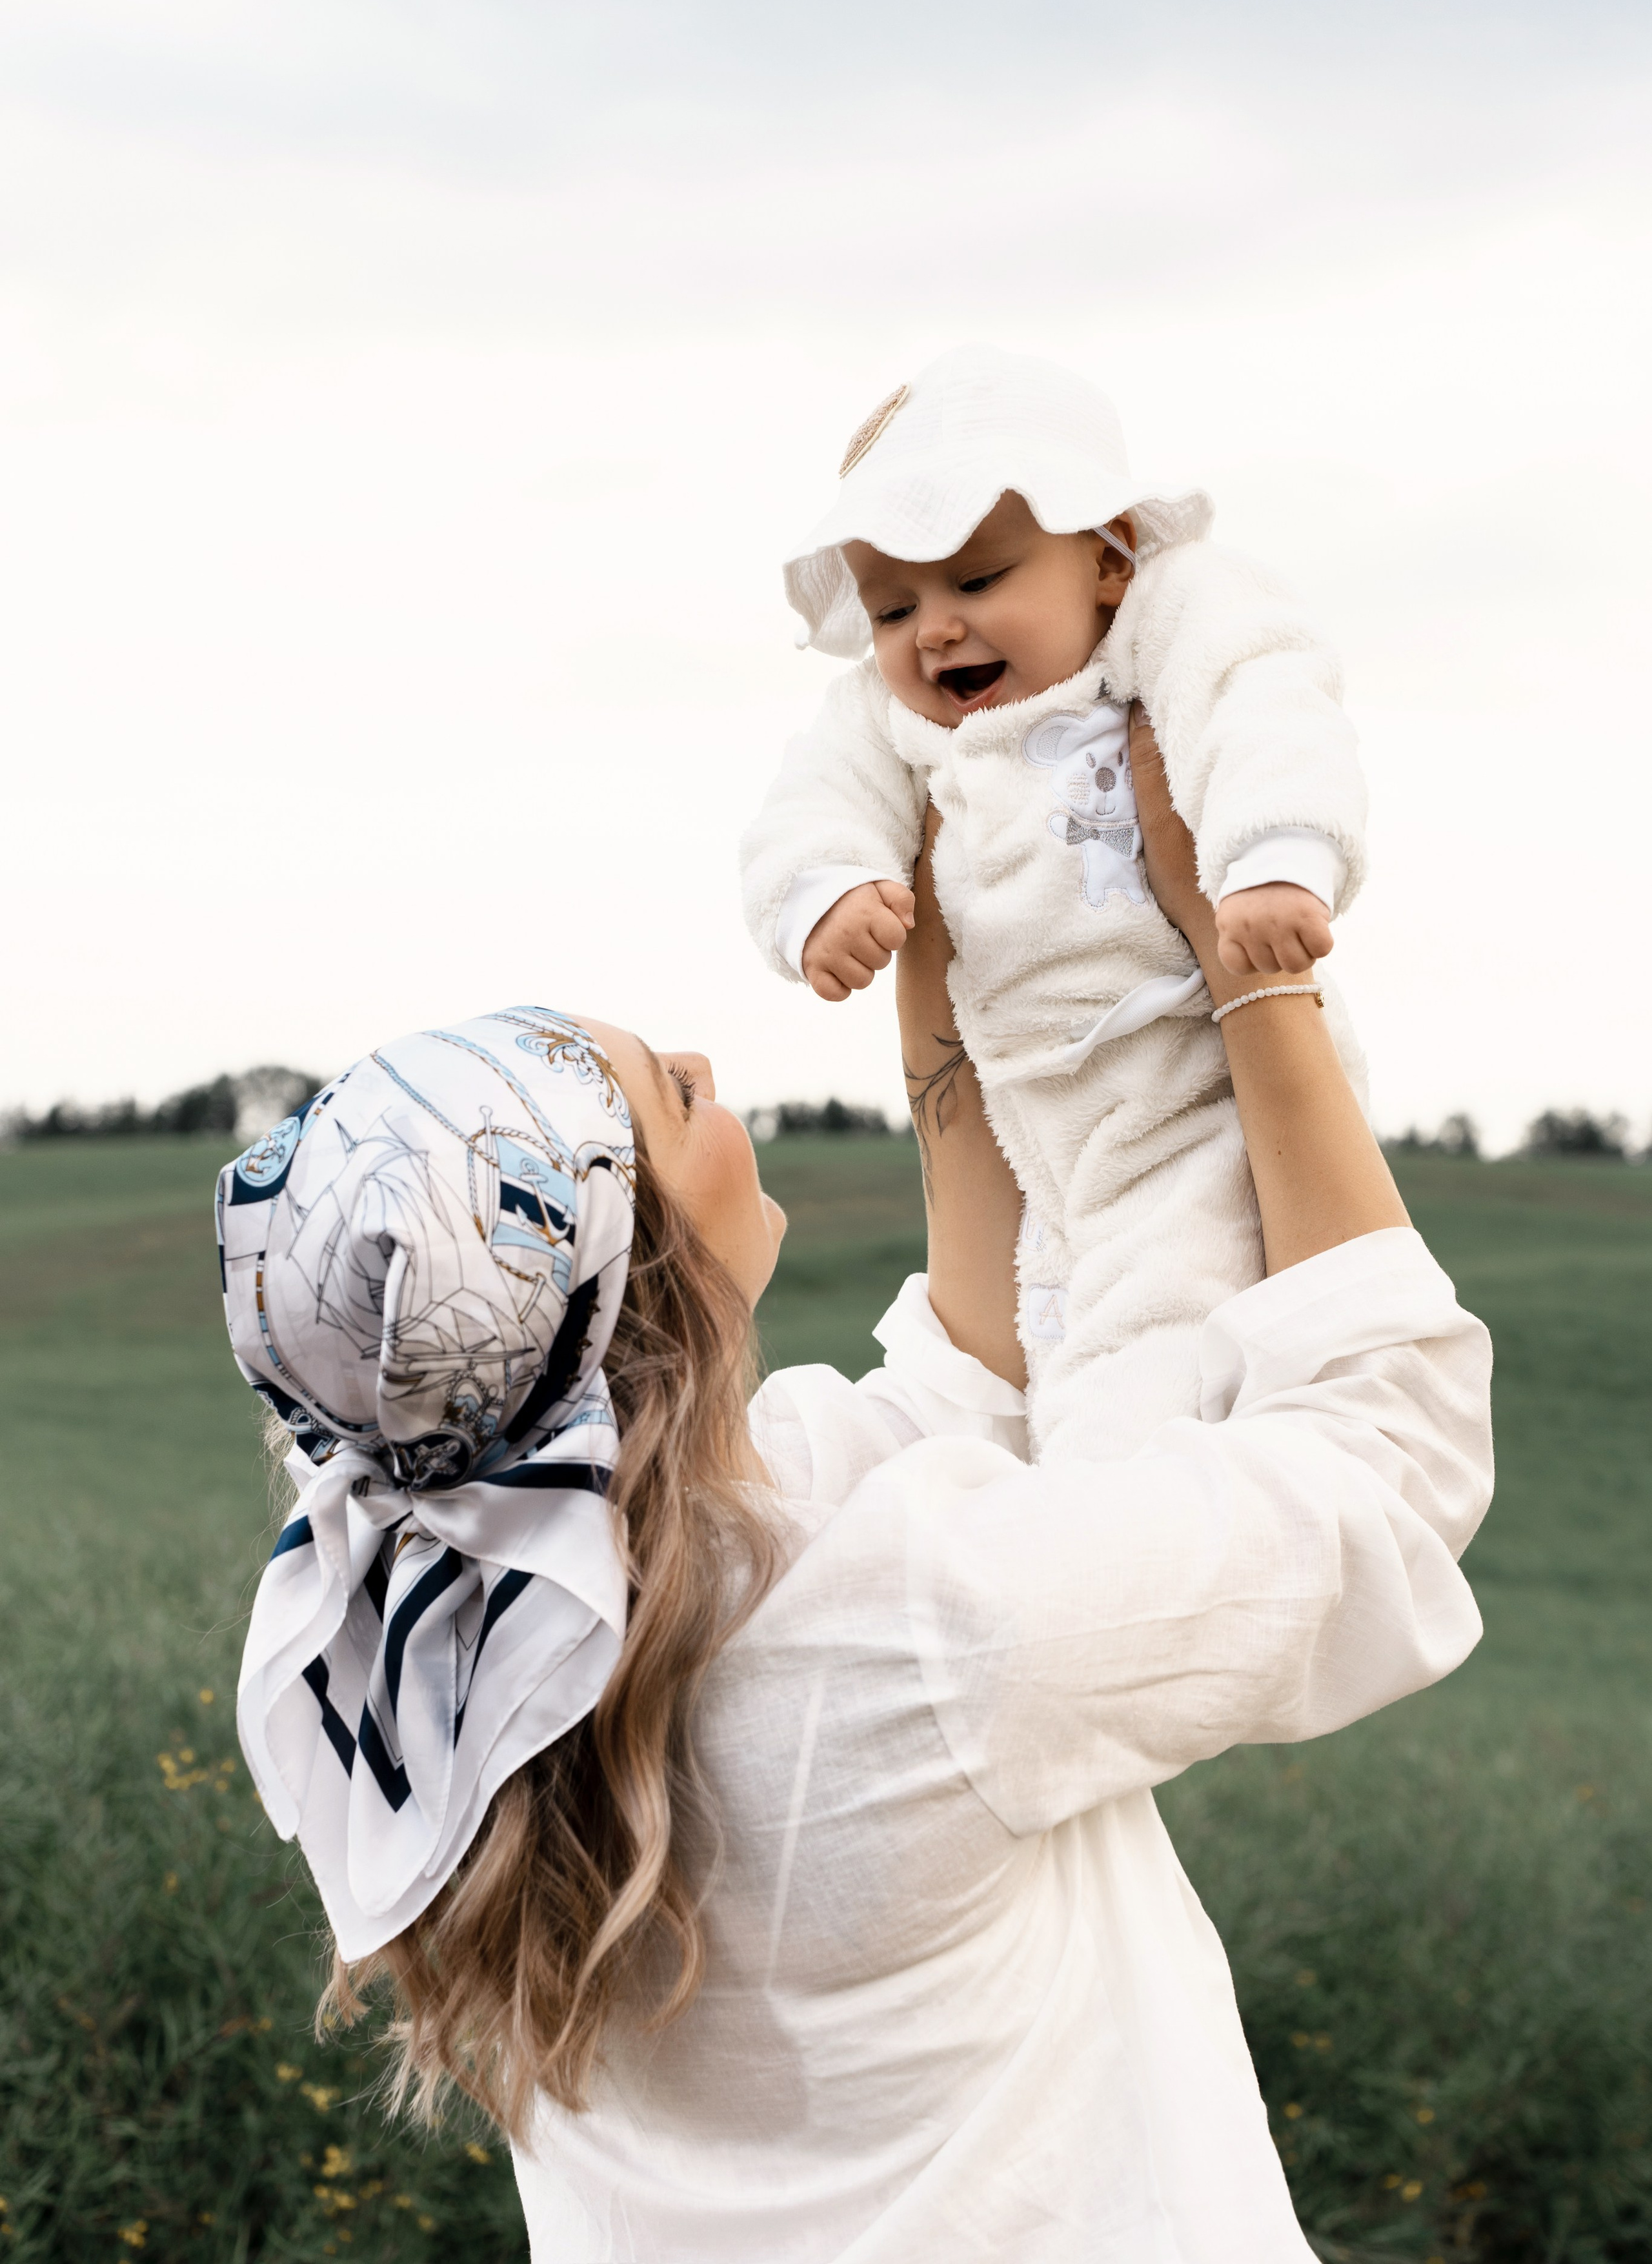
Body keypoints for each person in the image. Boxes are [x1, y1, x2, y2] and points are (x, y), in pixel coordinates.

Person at [221, 717, 1492, 2264]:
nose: (701, 1066)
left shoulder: (429, 1657)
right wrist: (1252, 982)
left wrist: (946, 974)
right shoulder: (911, 1635)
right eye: (664, 1100)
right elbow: (1387, 1464)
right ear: (643, 1284)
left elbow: (966, 1387)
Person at [741, 343, 1369, 1460]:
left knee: (1156, 1335)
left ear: (1109, 556)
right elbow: (810, 799)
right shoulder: (894, 720)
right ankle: (1059, 1509)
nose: (932, 630)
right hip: (1031, 1107)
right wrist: (825, 895)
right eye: (892, 610)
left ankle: (1114, 1514)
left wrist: (1275, 854)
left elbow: (1261, 695)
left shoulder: (1173, 619)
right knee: (1047, 1330)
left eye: (978, 582)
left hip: (1188, 1071)